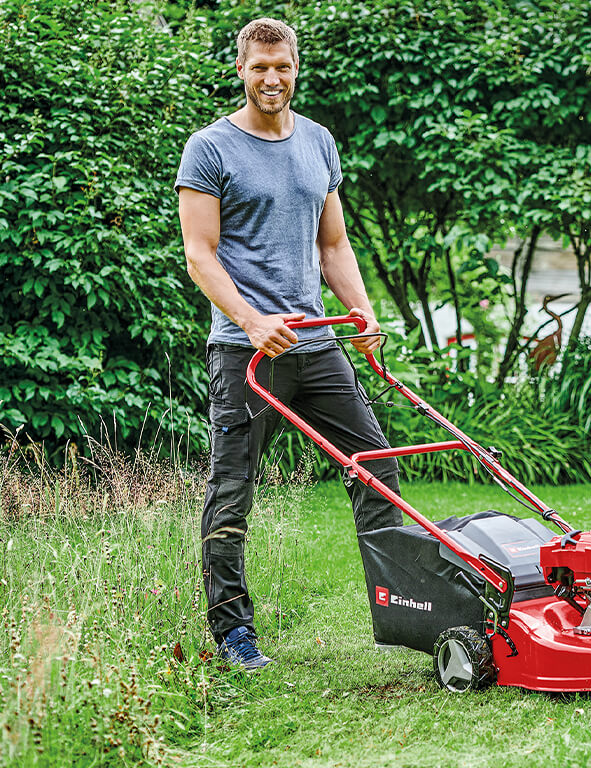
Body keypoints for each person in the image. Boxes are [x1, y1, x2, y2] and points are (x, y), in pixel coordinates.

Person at [175, 17, 402, 669]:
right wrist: (249, 320)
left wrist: (359, 311)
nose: (271, 78)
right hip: (246, 353)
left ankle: (400, 601)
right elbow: (200, 254)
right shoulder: (210, 149)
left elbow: (332, 243)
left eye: (283, 66)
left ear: (296, 67)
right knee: (232, 488)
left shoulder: (318, 142)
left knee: (376, 469)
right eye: (259, 67)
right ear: (240, 70)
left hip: (313, 343)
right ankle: (233, 633)